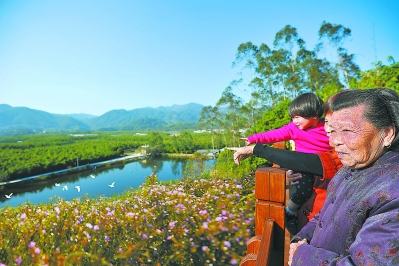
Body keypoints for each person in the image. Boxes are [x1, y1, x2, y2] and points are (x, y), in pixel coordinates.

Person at [287, 88, 399, 265]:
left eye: (347, 130)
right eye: (332, 131)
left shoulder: (393, 191)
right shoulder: (350, 168)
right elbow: (323, 216)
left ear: (387, 134)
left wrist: (301, 256)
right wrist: (300, 240)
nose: (334, 141)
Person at [242, 93, 331, 229]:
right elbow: (274, 135)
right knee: (304, 189)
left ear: (314, 115)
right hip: (302, 165)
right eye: (292, 117)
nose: (294, 121)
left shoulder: (328, 127)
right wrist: (254, 139)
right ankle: (290, 211)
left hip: (324, 165)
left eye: (298, 117)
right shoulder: (293, 129)